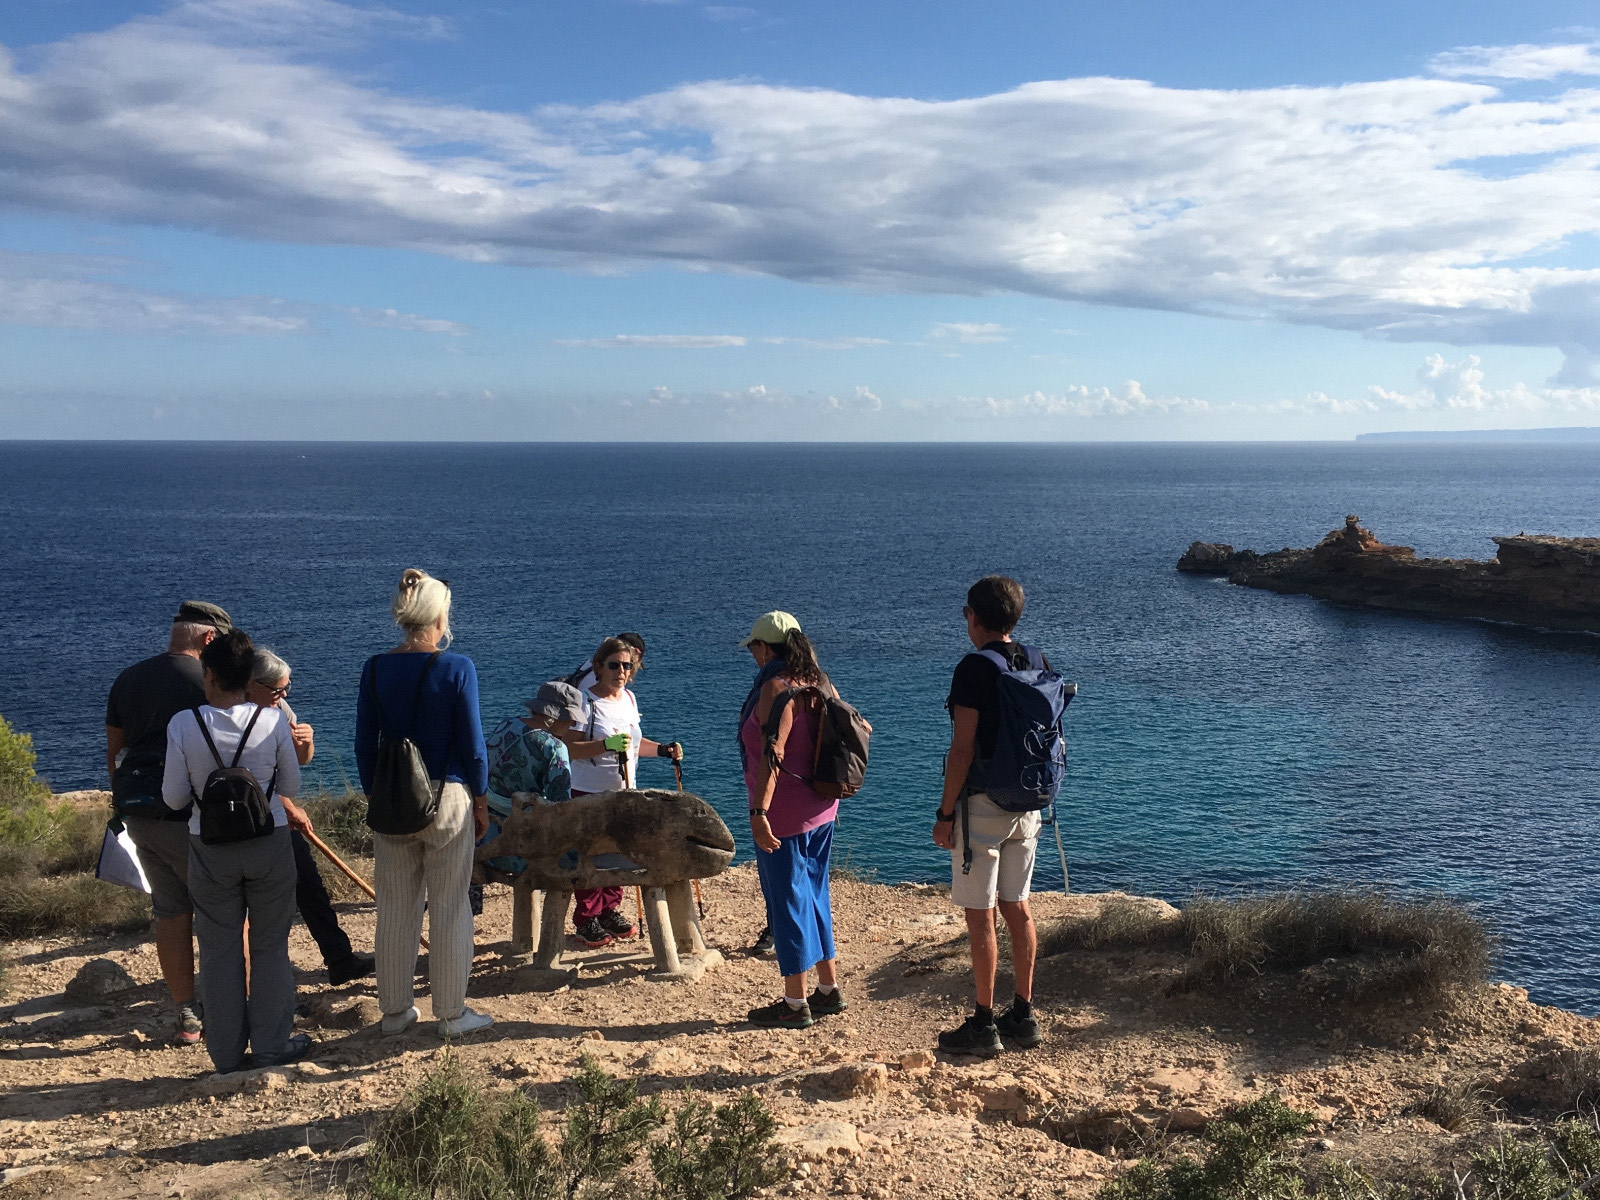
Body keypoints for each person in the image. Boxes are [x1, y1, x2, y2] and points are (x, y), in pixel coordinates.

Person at [161, 629, 309, 1073]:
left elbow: (172, 798)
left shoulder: (183, 724)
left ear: (209, 675)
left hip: (209, 847)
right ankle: (271, 1045)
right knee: (270, 946)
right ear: (249, 679)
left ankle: (225, 1053)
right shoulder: (272, 721)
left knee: (219, 949)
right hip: (269, 842)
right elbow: (290, 786)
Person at [355, 569, 493, 1038]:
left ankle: (394, 1012)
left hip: (392, 797)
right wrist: (481, 799)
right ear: (438, 615)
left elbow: (363, 743)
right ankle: (451, 1014)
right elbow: (473, 745)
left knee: (394, 907)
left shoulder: (375, 667)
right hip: (448, 794)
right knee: (450, 904)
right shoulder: (457, 667)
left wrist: (378, 794)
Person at [105, 600, 232, 1045]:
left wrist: (124, 806)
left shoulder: (129, 677)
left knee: (171, 912)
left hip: (138, 814)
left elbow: (114, 753)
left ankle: (187, 1015)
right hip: (187, 816)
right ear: (210, 638)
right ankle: (233, 1006)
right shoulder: (208, 682)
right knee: (226, 910)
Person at [931, 576, 1046, 1056]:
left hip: (982, 807)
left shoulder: (973, 669)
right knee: (1017, 907)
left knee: (980, 918)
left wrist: (943, 813)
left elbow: (962, 749)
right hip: (1029, 806)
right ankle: (1023, 1015)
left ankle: (982, 1023)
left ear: (974, 617)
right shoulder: (1036, 660)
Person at [737, 611, 846, 1029]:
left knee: (787, 902)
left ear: (765, 648)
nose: (752, 655)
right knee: (815, 894)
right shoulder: (820, 682)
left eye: (753, 647)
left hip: (783, 814)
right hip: (822, 807)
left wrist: (759, 812)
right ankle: (827, 989)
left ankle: (794, 1002)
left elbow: (773, 754)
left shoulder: (775, 688)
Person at [248, 649, 374, 986]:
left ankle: (339, 960)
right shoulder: (233, 715)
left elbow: (302, 760)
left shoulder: (277, 709)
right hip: (244, 819)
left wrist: (306, 742)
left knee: (309, 885)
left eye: (286, 688)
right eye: (277, 690)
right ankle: (260, 979)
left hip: (277, 814)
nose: (284, 696)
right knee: (262, 903)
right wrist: (290, 807)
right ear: (251, 684)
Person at [561, 636, 682, 948]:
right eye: (614, 665)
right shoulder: (585, 702)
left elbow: (635, 744)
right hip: (587, 791)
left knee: (619, 851)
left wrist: (665, 750)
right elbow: (570, 749)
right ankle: (587, 918)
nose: (621, 671)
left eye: (627, 666)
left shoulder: (629, 700)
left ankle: (609, 910)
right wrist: (604, 745)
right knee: (591, 853)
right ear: (599, 666)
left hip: (625, 791)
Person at [477, 681, 579, 879]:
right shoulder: (555, 748)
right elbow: (560, 807)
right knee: (575, 859)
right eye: (571, 718)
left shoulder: (507, 724)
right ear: (555, 716)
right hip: (519, 843)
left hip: (483, 831)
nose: (574, 724)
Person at [563, 632, 646, 693]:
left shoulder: (591, 665)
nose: (623, 670)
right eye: (614, 665)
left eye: (627, 666)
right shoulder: (603, 683)